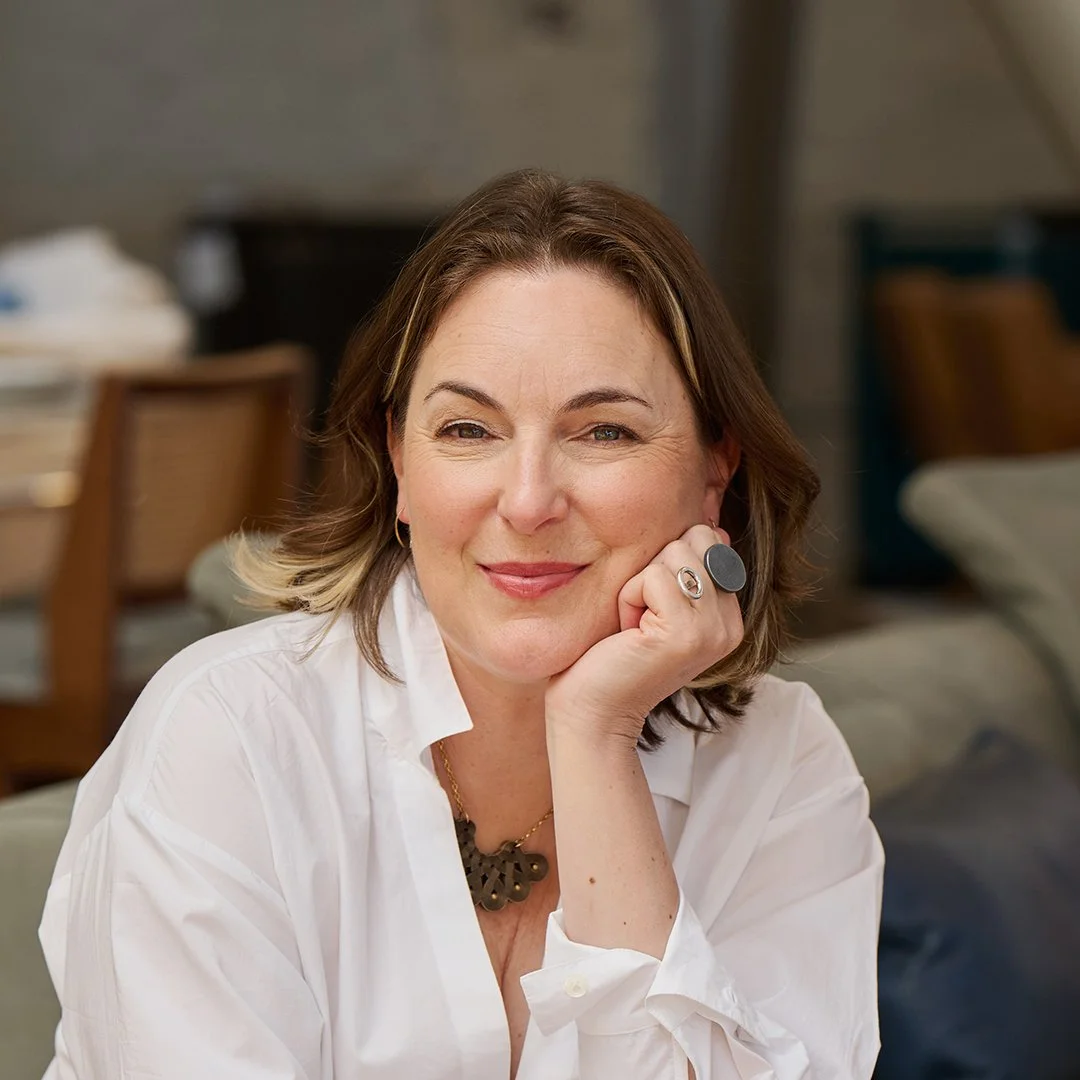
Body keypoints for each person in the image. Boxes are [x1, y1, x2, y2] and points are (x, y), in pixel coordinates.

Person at [39, 169, 882, 1080]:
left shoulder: (781, 760)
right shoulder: (229, 735)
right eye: (468, 430)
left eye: (604, 432)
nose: (527, 501)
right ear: (398, 458)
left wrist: (596, 737)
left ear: (717, 467)